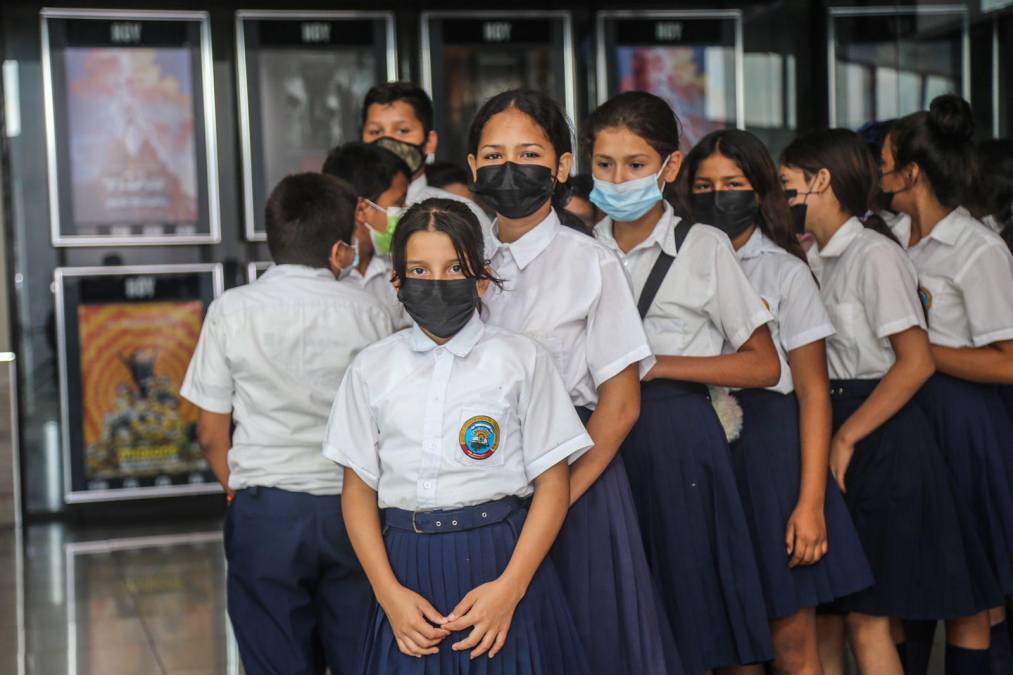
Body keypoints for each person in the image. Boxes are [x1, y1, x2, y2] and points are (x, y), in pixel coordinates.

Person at [466, 89, 683, 675]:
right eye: (493, 155)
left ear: (562, 167)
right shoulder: (460, 257)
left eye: (529, 153)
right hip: (482, 488)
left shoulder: (590, 262)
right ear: (472, 168)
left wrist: (557, 497)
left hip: (577, 487)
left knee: (589, 648)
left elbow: (620, 406)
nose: (509, 168)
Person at [325, 198, 590, 674]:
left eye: (454, 269)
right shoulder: (371, 369)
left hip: (502, 558)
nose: (437, 283)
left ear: (482, 277)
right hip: (404, 566)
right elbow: (357, 489)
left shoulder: (522, 360)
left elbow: (553, 484)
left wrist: (511, 587)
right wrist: (389, 596)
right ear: (398, 281)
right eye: (420, 271)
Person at [781, 128, 1000, 675]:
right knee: (834, 613)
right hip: (837, 421)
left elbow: (916, 360)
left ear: (822, 182)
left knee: (870, 613)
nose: (780, 201)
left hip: (880, 431)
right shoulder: (816, 257)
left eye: (787, 187)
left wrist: (847, 437)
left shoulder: (874, 255)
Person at [584, 91, 775, 673]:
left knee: (694, 608)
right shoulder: (577, 248)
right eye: (605, 164)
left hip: (679, 438)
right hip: (597, 439)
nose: (619, 179)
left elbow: (763, 364)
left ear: (669, 168)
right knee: (618, 610)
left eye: (636, 165)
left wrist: (659, 363)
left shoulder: (703, 247)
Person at [181, 173, 396, 675]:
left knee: (274, 659)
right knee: (360, 655)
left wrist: (237, 489)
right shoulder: (371, 313)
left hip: (266, 510)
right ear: (341, 251)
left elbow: (211, 432)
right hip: (355, 509)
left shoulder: (231, 311)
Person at [678, 127, 874, 674]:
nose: (719, 196)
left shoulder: (785, 271)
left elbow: (812, 393)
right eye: (705, 184)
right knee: (730, 641)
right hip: (701, 445)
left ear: (760, 188)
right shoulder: (673, 266)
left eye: (733, 182)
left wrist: (810, 503)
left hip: (771, 454)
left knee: (791, 638)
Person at [881, 95, 1013, 675]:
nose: (877, 172)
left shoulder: (977, 249)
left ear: (912, 173)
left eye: (885, 163)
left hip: (962, 423)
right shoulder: (887, 236)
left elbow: (1009, 361)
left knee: (970, 589)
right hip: (906, 416)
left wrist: (917, 351)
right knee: (908, 583)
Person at [360, 82, 492, 241]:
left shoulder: (462, 214)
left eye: (402, 130)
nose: (388, 141)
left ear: (429, 142)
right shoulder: (347, 208)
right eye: (375, 132)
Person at [321, 141, 410, 326]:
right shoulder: (322, 272)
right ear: (362, 209)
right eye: (399, 203)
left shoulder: (396, 268)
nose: (406, 211)